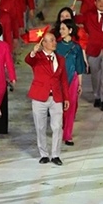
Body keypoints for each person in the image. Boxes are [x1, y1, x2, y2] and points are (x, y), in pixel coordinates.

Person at [25, 32, 70, 166]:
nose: (54, 43)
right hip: (39, 97)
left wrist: (66, 98)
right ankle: (44, 154)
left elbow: (63, 80)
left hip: (56, 97)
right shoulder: (37, 57)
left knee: (57, 127)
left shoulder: (60, 59)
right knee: (40, 127)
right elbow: (28, 60)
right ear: (43, 43)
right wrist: (33, 52)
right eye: (51, 40)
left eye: (54, 40)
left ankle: (56, 155)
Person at [56, 19, 86, 146]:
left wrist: (80, 84)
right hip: (58, 80)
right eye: (60, 29)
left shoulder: (76, 47)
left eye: (63, 29)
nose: (61, 31)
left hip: (72, 80)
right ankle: (60, 129)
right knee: (59, 107)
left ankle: (68, 135)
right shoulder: (56, 45)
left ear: (70, 30)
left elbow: (79, 66)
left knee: (71, 106)